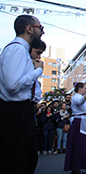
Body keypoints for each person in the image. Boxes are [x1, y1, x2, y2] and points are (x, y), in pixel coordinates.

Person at [0, 15, 44, 173]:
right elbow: (12, 85)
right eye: (41, 28)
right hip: (15, 112)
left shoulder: (22, 50)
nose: (42, 32)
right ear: (29, 29)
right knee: (17, 160)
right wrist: (37, 72)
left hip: (22, 111)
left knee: (28, 158)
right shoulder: (17, 49)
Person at [64, 82, 86, 174]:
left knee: (82, 144)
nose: (85, 90)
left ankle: (79, 166)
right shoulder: (76, 97)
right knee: (79, 144)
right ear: (79, 89)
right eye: (84, 88)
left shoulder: (79, 97)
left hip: (83, 121)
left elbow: (81, 103)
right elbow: (79, 102)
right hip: (80, 122)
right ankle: (76, 166)